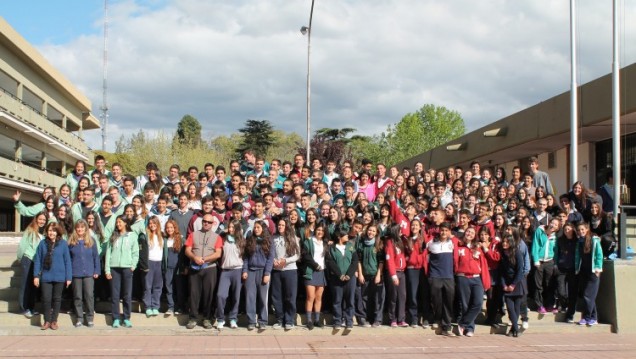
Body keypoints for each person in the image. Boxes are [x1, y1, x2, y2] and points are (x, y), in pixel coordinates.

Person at [185, 213, 223, 330]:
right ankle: (193, 318)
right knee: (193, 293)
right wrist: (194, 257)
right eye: (204, 221)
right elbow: (187, 250)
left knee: (209, 294)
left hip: (209, 268)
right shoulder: (193, 234)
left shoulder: (217, 237)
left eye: (209, 222)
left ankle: (207, 318)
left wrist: (205, 259)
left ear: (213, 224)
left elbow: (218, 253)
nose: (206, 223)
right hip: (194, 267)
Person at [33, 222, 72, 330]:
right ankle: (46, 321)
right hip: (46, 276)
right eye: (50, 230)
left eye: (54, 231)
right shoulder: (42, 244)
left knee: (57, 299)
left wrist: (69, 277)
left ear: (57, 232)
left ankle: (54, 321)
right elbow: (37, 261)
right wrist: (36, 276)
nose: (51, 233)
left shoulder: (63, 244)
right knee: (46, 299)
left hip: (60, 276)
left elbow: (67, 261)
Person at [455, 226, 491, 337]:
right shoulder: (458, 246)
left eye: (472, 232)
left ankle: (462, 324)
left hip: (476, 278)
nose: (469, 233)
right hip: (463, 277)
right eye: (468, 231)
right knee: (465, 305)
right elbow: (455, 261)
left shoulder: (477, 248)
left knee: (478, 303)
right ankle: (469, 329)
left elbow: (483, 264)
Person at [105, 215, 140, 328]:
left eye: (120, 222)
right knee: (115, 295)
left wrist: (133, 265)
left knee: (127, 294)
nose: (118, 224)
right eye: (117, 222)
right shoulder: (113, 236)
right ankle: (115, 318)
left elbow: (135, 252)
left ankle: (126, 318)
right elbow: (108, 253)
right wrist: (107, 269)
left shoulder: (132, 236)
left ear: (125, 223)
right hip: (114, 268)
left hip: (127, 268)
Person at [425, 222, 457, 336]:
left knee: (448, 302)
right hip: (435, 276)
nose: (444, 232)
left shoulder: (453, 243)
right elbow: (425, 255)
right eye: (442, 230)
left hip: (448, 276)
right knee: (436, 300)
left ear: (449, 232)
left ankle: (447, 327)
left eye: (446, 230)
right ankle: (437, 319)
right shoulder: (431, 243)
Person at [242, 220, 274, 330]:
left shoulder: (269, 241)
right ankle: (251, 320)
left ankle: (263, 320)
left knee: (262, 297)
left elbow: (270, 259)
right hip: (251, 271)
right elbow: (245, 257)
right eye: (255, 227)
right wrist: (245, 270)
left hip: (263, 271)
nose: (256, 229)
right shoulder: (250, 240)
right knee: (250, 297)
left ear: (263, 228)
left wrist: (267, 273)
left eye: (258, 227)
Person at [67, 219, 100, 327]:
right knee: (77, 297)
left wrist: (96, 270)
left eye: (82, 227)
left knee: (89, 296)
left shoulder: (91, 241)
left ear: (86, 228)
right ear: (75, 229)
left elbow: (96, 257)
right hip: (75, 273)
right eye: (78, 227)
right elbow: (68, 259)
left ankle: (89, 318)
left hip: (89, 273)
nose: (80, 229)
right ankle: (79, 318)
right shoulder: (71, 242)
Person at [325, 227, 359, 330]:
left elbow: (355, 261)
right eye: (345, 235)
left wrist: (349, 274)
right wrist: (339, 274)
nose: (348, 236)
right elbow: (330, 262)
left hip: (350, 278)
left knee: (350, 300)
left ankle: (349, 321)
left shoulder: (350, 247)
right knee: (337, 300)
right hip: (336, 278)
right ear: (339, 237)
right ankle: (337, 321)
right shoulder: (332, 248)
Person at [270, 219, 301, 330]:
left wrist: (285, 261)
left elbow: (297, 255)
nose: (280, 226)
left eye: (283, 225)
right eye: (279, 225)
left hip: (290, 270)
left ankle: (289, 320)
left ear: (287, 226)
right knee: (277, 296)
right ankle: (279, 319)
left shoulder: (293, 238)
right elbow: (270, 253)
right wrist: (274, 260)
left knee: (290, 296)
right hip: (276, 271)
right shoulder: (273, 238)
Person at [215, 219, 245, 329]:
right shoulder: (223, 238)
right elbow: (217, 240)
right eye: (230, 227)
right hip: (225, 271)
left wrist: (244, 271)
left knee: (236, 296)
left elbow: (245, 257)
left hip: (238, 270)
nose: (231, 229)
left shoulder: (242, 241)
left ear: (237, 229)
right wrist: (224, 230)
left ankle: (233, 318)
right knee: (221, 295)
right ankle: (220, 319)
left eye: (233, 227)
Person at [17, 212, 47, 318]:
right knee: (25, 284)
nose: (42, 221)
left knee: (34, 285)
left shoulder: (43, 234)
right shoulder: (30, 230)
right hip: (28, 259)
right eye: (40, 219)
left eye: (44, 220)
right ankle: (23, 308)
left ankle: (31, 308)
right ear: (36, 219)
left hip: (37, 262)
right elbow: (22, 246)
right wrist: (20, 258)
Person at [355, 224, 385, 328]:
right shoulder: (362, 243)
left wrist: (378, 275)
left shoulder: (379, 244)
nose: (371, 232)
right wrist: (360, 274)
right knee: (364, 298)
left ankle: (377, 320)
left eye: (373, 231)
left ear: (376, 233)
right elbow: (358, 259)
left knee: (378, 298)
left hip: (375, 275)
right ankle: (365, 318)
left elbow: (381, 261)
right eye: (369, 230)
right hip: (365, 275)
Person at [575, 222, 604, 326]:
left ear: (587, 229)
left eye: (582, 229)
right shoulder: (579, 241)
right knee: (589, 296)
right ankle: (594, 318)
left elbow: (599, 255)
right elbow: (578, 256)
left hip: (593, 272)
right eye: (578, 230)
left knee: (588, 295)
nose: (580, 232)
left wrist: (598, 269)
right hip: (583, 271)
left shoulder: (594, 240)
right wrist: (577, 268)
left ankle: (586, 317)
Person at [302, 222, 329, 329]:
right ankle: (309, 320)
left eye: (322, 231)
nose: (320, 232)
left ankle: (317, 320)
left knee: (318, 297)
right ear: (315, 230)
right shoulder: (308, 241)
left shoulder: (325, 243)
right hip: (311, 271)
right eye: (318, 230)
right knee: (310, 297)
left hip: (321, 272)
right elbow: (305, 255)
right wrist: (315, 265)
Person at [500, 233, 527, 337]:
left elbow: (520, 270)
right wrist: (504, 285)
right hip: (506, 283)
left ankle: (513, 330)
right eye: (503, 242)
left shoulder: (517, 253)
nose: (504, 244)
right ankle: (516, 328)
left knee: (516, 308)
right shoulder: (502, 254)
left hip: (517, 283)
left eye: (507, 242)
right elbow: (501, 272)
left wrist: (513, 284)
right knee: (510, 308)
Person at [531, 218, 560, 314]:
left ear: (557, 228)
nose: (553, 225)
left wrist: (555, 262)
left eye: (556, 225)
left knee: (549, 284)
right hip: (539, 261)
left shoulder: (555, 236)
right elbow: (535, 246)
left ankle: (549, 304)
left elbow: (556, 251)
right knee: (538, 284)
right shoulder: (540, 231)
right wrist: (536, 260)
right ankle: (539, 305)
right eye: (552, 223)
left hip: (549, 262)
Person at [384, 224, 408, 328]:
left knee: (402, 296)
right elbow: (390, 261)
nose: (401, 231)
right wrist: (393, 275)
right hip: (394, 273)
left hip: (402, 272)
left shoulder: (400, 241)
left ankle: (401, 319)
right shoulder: (390, 243)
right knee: (393, 296)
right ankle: (392, 318)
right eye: (399, 230)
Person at [163, 219, 185, 316]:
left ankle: (180, 307)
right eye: (167, 227)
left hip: (178, 268)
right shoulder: (165, 240)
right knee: (169, 288)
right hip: (168, 268)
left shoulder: (180, 239)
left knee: (180, 289)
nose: (169, 229)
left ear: (175, 228)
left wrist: (184, 267)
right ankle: (170, 307)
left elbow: (184, 255)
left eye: (171, 227)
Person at [143, 216, 164, 317]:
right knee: (148, 286)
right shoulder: (146, 235)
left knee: (157, 286)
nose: (152, 225)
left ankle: (155, 306)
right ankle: (148, 306)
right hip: (149, 262)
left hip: (159, 263)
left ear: (158, 224)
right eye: (150, 223)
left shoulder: (162, 236)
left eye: (154, 223)